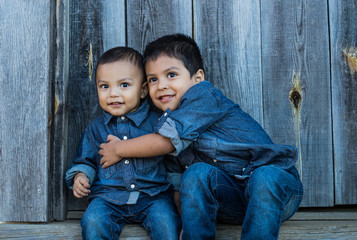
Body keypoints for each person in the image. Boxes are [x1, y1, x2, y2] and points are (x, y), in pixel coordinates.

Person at [99, 34, 304, 240]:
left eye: (171, 75)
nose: (161, 85)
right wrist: (184, 224)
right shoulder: (163, 122)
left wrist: (119, 149)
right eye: (153, 79)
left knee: (264, 176)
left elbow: (165, 142)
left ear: (197, 78)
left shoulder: (203, 96)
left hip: (277, 195)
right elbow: (178, 186)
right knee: (196, 173)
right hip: (232, 202)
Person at [65, 46, 181, 240]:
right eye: (105, 86)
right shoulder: (96, 128)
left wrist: (177, 191)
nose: (113, 94)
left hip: (153, 196)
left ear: (143, 90)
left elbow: (172, 161)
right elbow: (85, 160)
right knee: (92, 221)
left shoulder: (157, 123)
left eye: (124, 85)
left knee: (166, 221)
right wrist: (80, 176)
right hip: (108, 198)